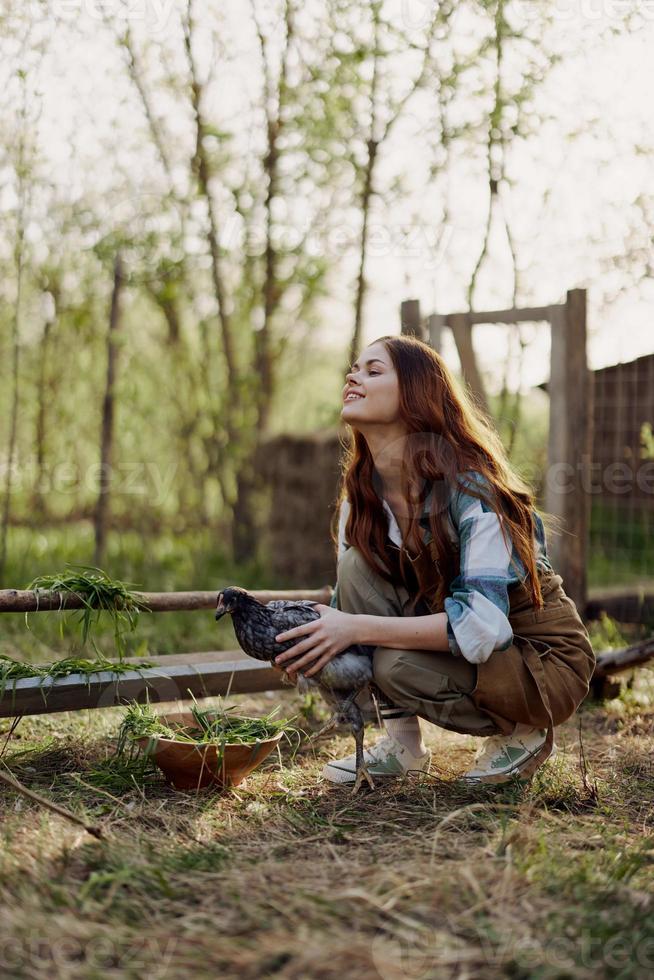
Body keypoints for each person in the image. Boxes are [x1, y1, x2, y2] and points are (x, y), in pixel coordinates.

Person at [273, 335, 596, 786]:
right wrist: (312, 644)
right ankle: (403, 745)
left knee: (394, 664)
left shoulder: (473, 489)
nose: (353, 376)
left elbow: (484, 628)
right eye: (353, 369)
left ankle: (522, 733)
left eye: (373, 370)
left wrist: (355, 628)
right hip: (471, 642)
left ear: (415, 393)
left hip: (540, 660)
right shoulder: (363, 495)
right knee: (354, 572)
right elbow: (355, 601)